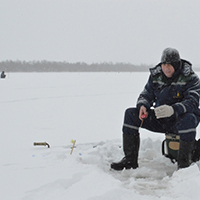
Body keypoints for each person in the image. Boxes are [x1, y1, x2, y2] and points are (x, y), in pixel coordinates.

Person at [111, 47, 200, 170]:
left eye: (170, 65)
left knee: (189, 118)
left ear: (177, 65)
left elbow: (192, 102)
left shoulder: (191, 78)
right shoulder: (156, 76)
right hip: (160, 119)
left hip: (180, 121)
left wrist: (173, 109)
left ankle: (184, 164)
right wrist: (143, 106)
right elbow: (146, 95)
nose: (166, 68)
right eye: (164, 64)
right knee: (130, 114)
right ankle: (130, 161)